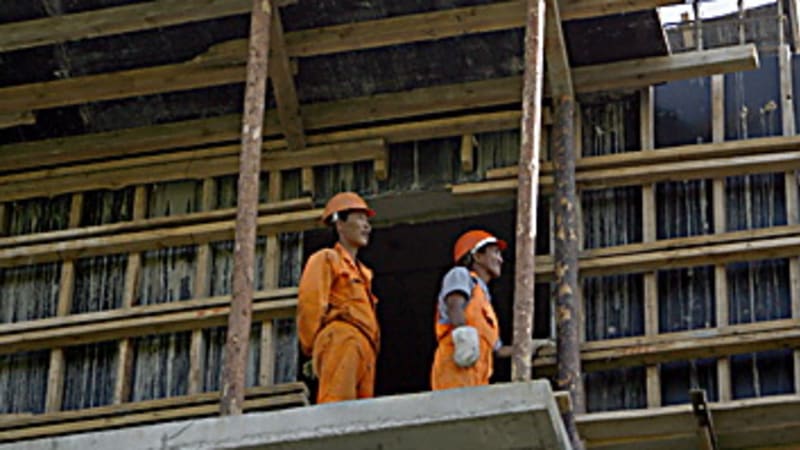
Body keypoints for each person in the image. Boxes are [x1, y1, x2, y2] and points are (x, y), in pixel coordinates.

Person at [297, 192, 380, 403]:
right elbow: (310, 303)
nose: (367, 226)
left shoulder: (364, 274)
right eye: (359, 218)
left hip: (366, 348)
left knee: (361, 415)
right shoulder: (326, 259)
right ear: (340, 224)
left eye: (367, 220)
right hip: (342, 340)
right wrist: (313, 347)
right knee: (337, 406)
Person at [431, 229, 513, 390]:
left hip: (478, 383)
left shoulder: (484, 302)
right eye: (495, 252)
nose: (501, 260)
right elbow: (454, 304)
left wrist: (530, 347)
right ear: (477, 256)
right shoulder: (461, 275)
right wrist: (463, 334)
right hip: (454, 378)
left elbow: (498, 350)